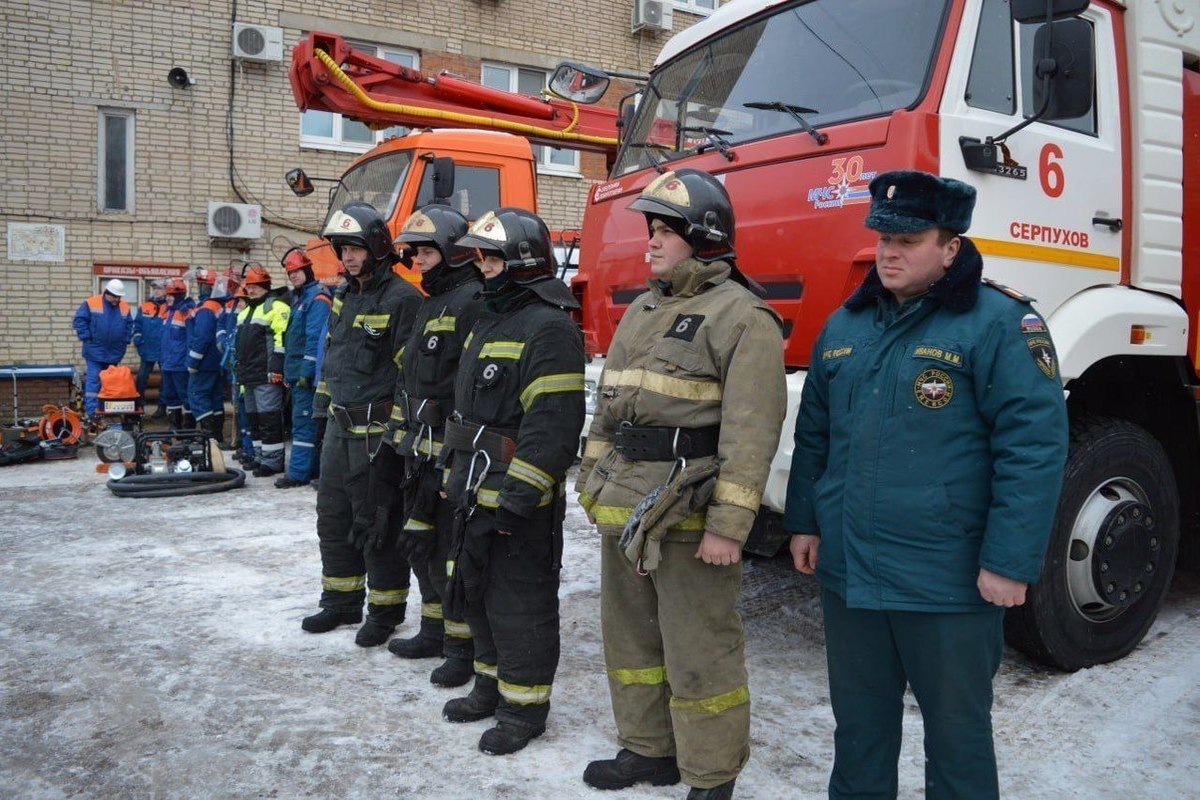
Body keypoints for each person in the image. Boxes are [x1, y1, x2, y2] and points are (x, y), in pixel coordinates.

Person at [783, 170, 1069, 800]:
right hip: (852, 575)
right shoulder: (846, 326)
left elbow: (1032, 450)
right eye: (883, 236)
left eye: (909, 239)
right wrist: (804, 521)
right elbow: (817, 438)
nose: (889, 251)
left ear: (950, 246)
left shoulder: (1000, 325)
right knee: (859, 732)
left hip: (948, 580)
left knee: (958, 738)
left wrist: (1010, 562)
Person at [577, 169, 787, 800]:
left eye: (666, 231)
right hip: (625, 504)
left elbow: (752, 435)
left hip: (689, 508)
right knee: (632, 636)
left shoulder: (743, 316)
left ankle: (710, 774)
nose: (652, 242)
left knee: (700, 645)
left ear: (705, 237)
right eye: (652, 230)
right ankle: (648, 751)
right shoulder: (644, 308)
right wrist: (591, 483)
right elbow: (608, 406)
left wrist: (729, 527)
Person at [439, 207, 585, 756]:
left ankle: (523, 709)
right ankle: (489, 686)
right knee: (473, 589)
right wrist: (454, 479)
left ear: (521, 263)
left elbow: (551, 428)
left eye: (491, 257)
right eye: (479, 257)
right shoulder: (488, 319)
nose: (482, 268)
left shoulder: (550, 327)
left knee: (518, 603)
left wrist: (518, 500)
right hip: (472, 486)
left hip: (517, 499)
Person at [302, 201, 421, 648]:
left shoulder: (404, 299)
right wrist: (319, 416)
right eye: (341, 249)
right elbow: (333, 362)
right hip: (338, 428)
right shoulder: (345, 295)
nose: (347, 257)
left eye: (354, 248)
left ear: (376, 247)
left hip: (376, 434)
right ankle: (340, 602)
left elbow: (410, 376)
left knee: (376, 522)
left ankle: (386, 610)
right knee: (332, 518)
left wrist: (396, 435)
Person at [386, 205, 484, 690]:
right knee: (420, 544)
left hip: (450, 452)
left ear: (454, 253)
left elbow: (466, 389)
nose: (418, 260)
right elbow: (411, 379)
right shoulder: (431, 303)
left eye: (428, 251)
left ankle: (461, 648)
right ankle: (432, 629)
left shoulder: (471, 302)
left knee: (450, 551)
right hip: (418, 449)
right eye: (416, 252)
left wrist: (456, 455)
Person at [276, 246, 331, 489]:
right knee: (305, 424)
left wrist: (306, 373)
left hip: (305, 377)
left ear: (307, 270)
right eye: (291, 274)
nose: (294, 276)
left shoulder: (316, 299)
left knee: (304, 424)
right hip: (297, 374)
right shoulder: (302, 298)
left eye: (297, 272)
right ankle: (308, 470)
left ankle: (299, 473)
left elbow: (314, 339)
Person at [234, 266, 290, 476]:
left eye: (256, 286)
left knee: (269, 418)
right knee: (254, 419)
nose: (252, 290)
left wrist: (276, 367)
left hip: (266, 373)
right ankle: (260, 457)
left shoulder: (276, 307)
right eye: (249, 287)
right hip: (248, 374)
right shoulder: (246, 311)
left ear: (266, 286)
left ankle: (273, 462)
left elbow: (281, 339)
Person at [73, 278, 135, 418]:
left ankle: (107, 410)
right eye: (115, 296)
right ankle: (92, 412)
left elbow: (129, 325)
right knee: (94, 381)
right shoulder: (91, 303)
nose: (117, 299)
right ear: (107, 293)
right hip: (95, 351)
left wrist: (125, 340)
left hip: (114, 353)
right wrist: (87, 337)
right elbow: (79, 320)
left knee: (110, 383)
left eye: (119, 297)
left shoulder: (124, 307)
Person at [187, 271, 229, 445]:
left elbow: (202, 337)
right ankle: (217, 436)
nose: (198, 288)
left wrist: (193, 362)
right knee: (214, 398)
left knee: (197, 395)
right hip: (216, 362)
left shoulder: (206, 308)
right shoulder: (219, 305)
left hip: (203, 363)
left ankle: (209, 437)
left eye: (201, 284)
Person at [159, 278, 194, 429]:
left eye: (171, 295)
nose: (168, 298)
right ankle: (175, 425)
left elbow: (191, 338)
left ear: (179, 296)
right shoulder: (168, 312)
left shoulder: (186, 312)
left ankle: (188, 427)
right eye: (167, 295)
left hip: (180, 363)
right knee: (170, 395)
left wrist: (189, 360)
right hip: (168, 362)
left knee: (185, 395)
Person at [132, 279, 168, 417]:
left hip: (164, 349)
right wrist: (137, 339)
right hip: (147, 349)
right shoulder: (145, 306)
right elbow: (138, 325)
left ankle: (162, 408)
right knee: (141, 377)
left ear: (165, 290)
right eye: (154, 288)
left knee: (165, 380)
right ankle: (138, 405)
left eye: (159, 288)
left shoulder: (169, 307)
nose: (156, 291)